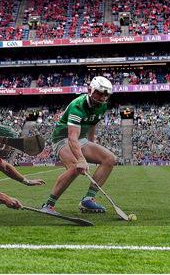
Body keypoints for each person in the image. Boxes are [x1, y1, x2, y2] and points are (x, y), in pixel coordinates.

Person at [41, 76, 117, 214]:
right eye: (99, 93)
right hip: (62, 139)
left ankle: (88, 200)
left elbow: (92, 123)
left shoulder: (102, 105)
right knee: (75, 167)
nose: (101, 97)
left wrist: (91, 143)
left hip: (81, 139)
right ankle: (48, 205)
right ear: (90, 90)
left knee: (110, 159)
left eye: (105, 95)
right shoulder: (78, 106)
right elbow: (72, 137)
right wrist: (81, 159)